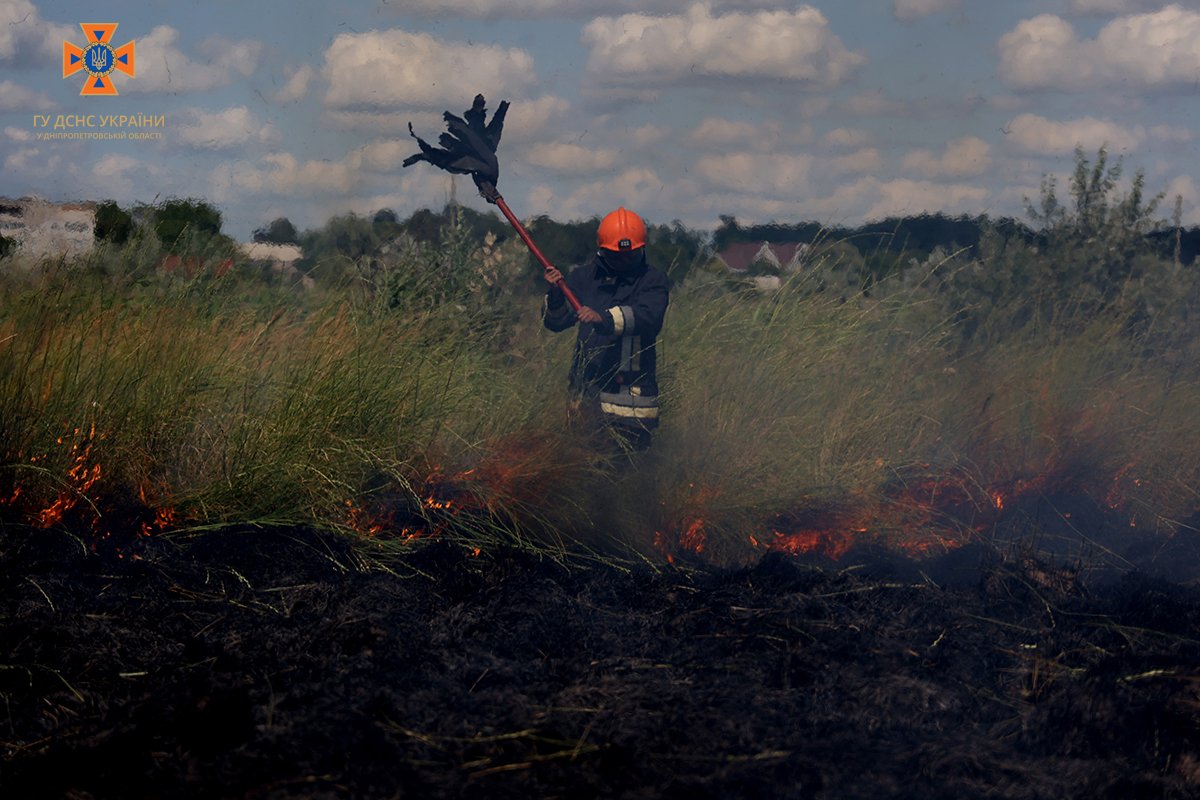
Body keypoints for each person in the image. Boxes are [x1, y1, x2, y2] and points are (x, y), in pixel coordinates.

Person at [543, 207, 670, 452]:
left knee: (625, 477)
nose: (624, 261)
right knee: (583, 475)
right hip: (585, 400)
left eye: (630, 255)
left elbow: (648, 318)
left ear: (640, 250)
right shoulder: (583, 278)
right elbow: (557, 322)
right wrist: (556, 294)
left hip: (631, 406)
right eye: (617, 256)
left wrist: (603, 318)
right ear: (603, 251)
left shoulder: (653, 280)